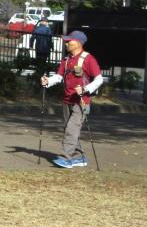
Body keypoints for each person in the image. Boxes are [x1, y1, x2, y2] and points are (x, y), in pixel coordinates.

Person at [41, 30, 103, 169]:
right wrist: (48, 81)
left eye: (70, 41)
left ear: (79, 43)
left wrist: (86, 89)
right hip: (67, 100)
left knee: (71, 129)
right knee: (69, 130)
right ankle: (79, 157)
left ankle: (66, 158)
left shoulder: (88, 59)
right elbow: (58, 77)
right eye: (66, 41)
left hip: (81, 101)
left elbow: (99, 79)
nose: (66, 43)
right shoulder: (66, 59)